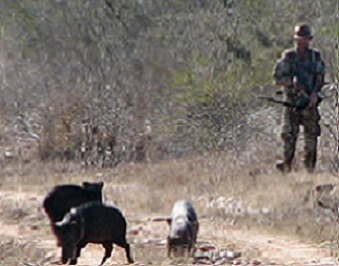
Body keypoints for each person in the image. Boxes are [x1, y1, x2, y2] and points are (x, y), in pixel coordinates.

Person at [272, 23, 326, 173]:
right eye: (298, 39)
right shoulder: (288, 57)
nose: (301, 42)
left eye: (304, 39)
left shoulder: (315, 57)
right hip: (291, 105)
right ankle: (286, 170)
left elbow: (320, 78)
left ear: (309, 39)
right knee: (288, 140)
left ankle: (309, 174)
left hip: (309, 105)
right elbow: (277, 78)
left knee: (311, 142)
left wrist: (314, 93)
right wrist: (291, 83)